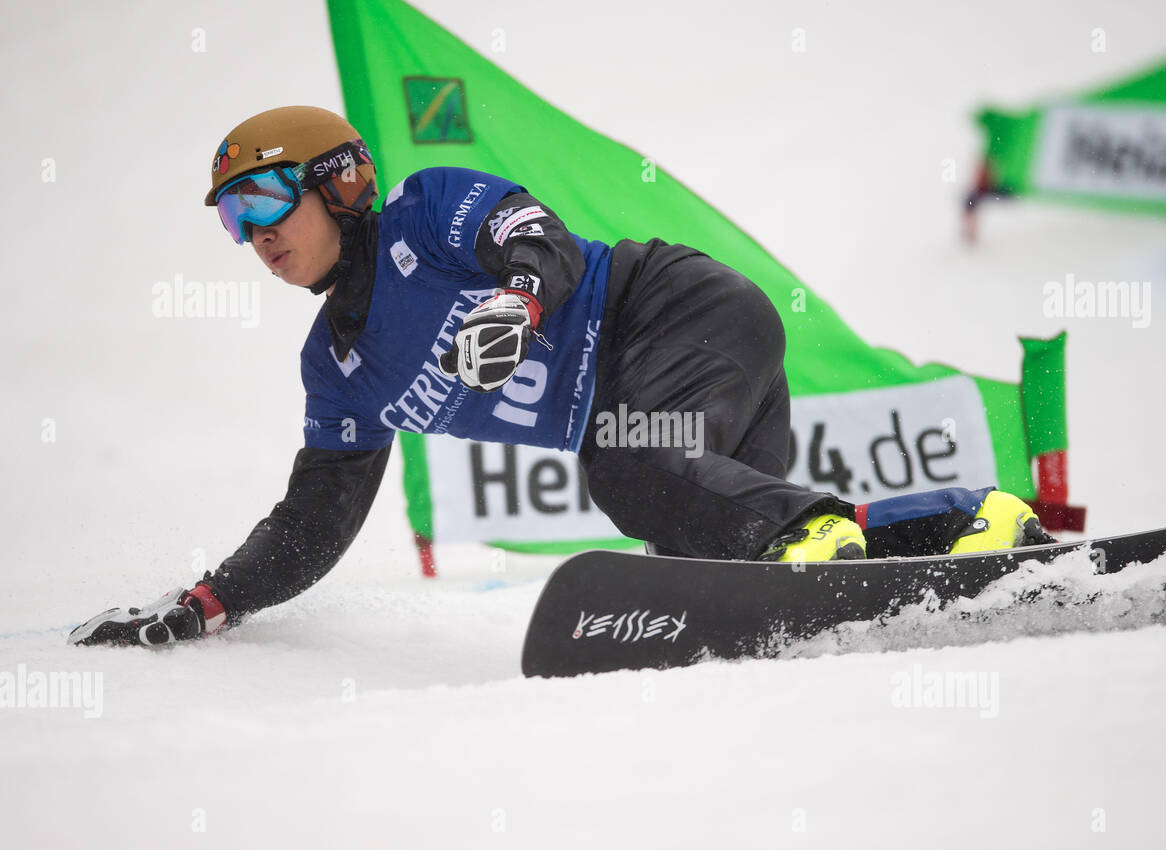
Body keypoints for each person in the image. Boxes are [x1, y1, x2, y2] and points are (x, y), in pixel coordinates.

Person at [70, 106, 1051, 648]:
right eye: (231, 221)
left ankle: (812, 532)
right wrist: (206, 601)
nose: (255, 235)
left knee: (623, 466)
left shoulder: (422, 211)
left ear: (338, 181)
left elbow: (538, 241)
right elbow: (313, 522)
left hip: (675, 308)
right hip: (686, 380)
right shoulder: (335, 368)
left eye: (263, 199)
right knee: (725, 553)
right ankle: (970, 519)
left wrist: (517, 304)